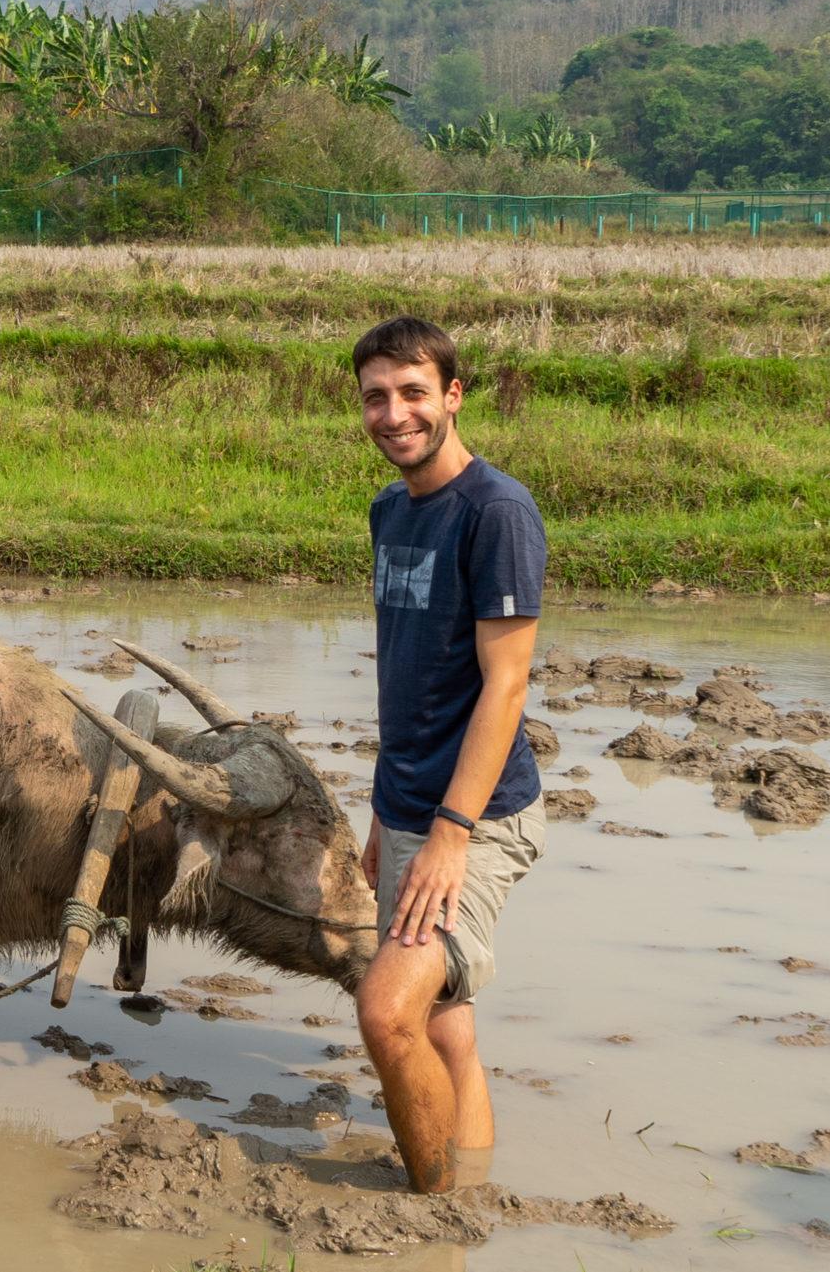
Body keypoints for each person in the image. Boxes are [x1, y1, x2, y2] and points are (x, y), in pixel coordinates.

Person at [350, 316, 548, 1195]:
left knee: (388, 1010)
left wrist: (450, 835)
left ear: (453, 395)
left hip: (473, 819)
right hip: (407, 811)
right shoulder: (390, 509)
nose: (395, 414)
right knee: (444, 1025)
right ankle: (470, 1196)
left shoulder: (496, 512)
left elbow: (504, 686)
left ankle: (428, 1210)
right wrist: (382, 818)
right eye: (377, 396)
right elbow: (410, 681)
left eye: (414, 392)